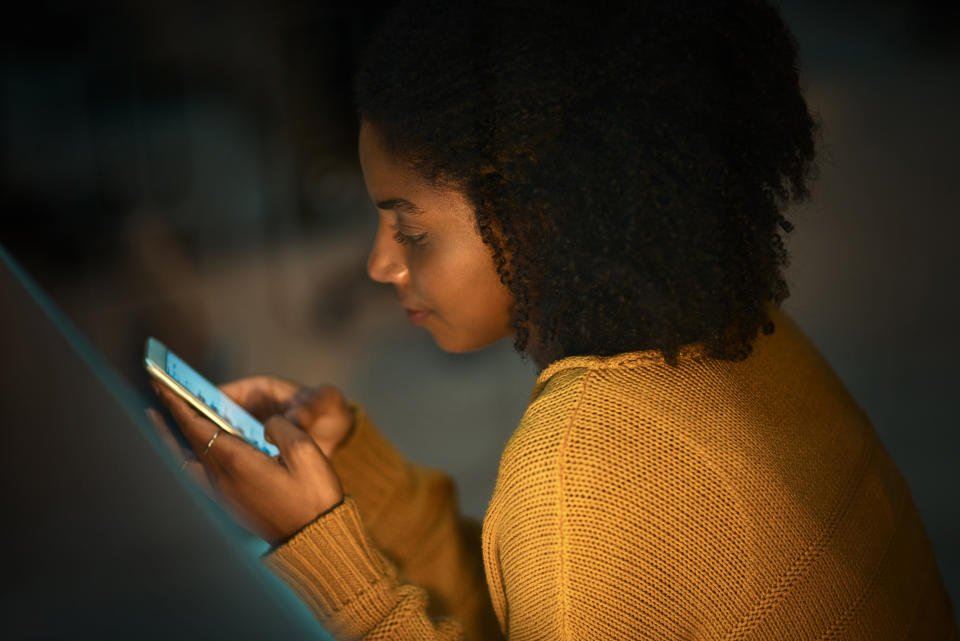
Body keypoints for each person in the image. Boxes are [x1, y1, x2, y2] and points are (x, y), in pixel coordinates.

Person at [151, 0, 959, 639]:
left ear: (546, 216)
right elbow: (547, 609)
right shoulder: (740, 330)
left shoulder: (580, 462)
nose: (380, 264)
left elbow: (570, 561)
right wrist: (357, 483)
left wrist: (318, 551)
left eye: (412, 228)